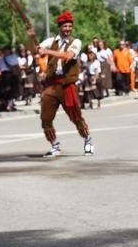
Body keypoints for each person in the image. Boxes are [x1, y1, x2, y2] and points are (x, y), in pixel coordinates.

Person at [28, 10, 93, 158]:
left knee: (75, 116)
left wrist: (47, 51)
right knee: (45, 117)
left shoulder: (76, 42)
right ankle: (54, 145)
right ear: (60, 27)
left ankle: (87, 139)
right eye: (65, 26)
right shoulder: (51, 41)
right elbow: (35, 51)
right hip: (51, 84)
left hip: (67, 84)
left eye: (70, 26)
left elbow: (67, 56)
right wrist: (31, 36)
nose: (68, 29)